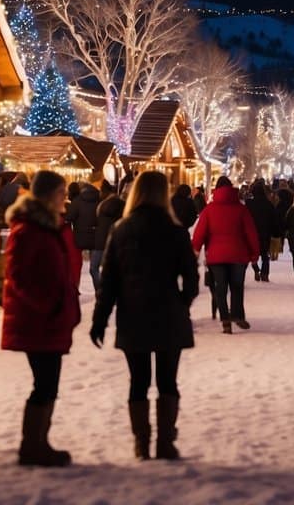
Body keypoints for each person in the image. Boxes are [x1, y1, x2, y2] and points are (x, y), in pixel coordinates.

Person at [91, 171, 199, 461]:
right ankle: (165, 442)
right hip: (168, 312)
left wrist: (100, 320)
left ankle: (141, 442)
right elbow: (191, 277)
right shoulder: (175, 231)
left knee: (138, 381)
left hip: (133, 311)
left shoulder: (122, 229)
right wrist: (182, 303)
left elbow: (109, 280)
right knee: (167, 381)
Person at [2, 171, 83, 467]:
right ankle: (32, 446)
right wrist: (48, 305)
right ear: (49, 195)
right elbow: (19, 276)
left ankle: (38, 442)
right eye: (61, 192)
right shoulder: (29, 230)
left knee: (49, 383)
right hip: (37, 319)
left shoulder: (50, 227)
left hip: (50, 317)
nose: (66, 198)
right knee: (44, 383)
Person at [192, 176, 259, 334]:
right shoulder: (241, 209)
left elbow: (199, 234)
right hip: (238, 254)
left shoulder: (209, 210)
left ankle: (225, 319)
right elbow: (251, 233)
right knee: (237, 286)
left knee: (220, 288)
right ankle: (237, 315)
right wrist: (254, 253)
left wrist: (195, 250)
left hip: (216, 256)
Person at [67, 181, 101, 291]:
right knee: (94, 268)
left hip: (80, 239)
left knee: (76, 265)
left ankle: (75, 288)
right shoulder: (100, 200)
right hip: (96, 238)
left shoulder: (77, 201)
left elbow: (69, 217)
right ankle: (100, 291)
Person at [246, 180, 279, 283]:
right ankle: (265, 274)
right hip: (265, 232)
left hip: (252, 233)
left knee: (252, 254)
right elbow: (274, 219)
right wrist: (276, 233)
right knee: (265, 255)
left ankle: (256, 269)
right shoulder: (268, 204)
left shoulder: (249, 204)